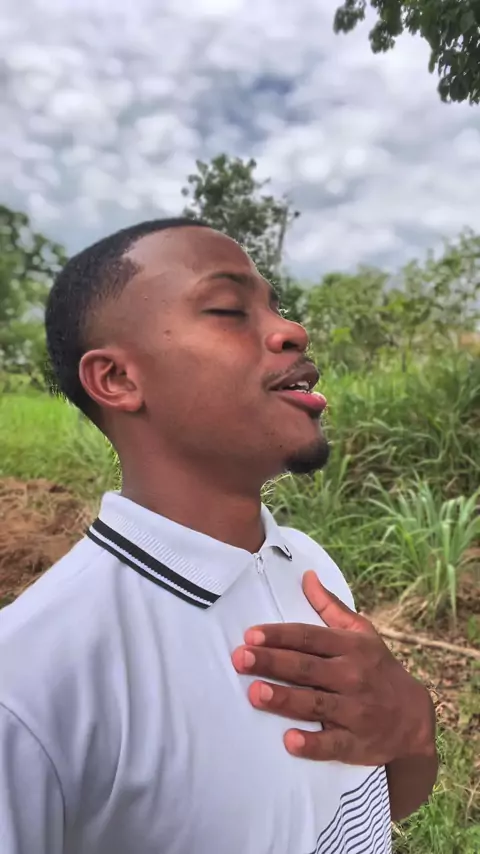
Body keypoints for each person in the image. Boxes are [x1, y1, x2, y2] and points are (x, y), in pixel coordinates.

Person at [0, 218, 437, 854]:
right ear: (117, 379)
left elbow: (369, 809)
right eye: (230, 309)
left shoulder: (307, 565)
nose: (292, 330)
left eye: (276, 307)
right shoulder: (28, 687)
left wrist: (413, 729)